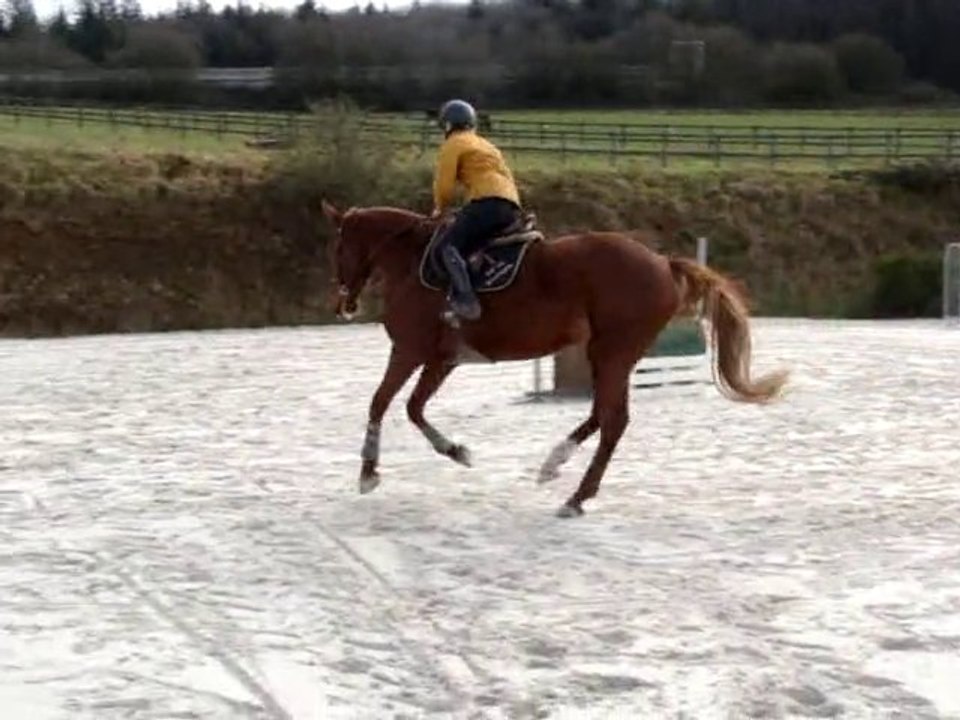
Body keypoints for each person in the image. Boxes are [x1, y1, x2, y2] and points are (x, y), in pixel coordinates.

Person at [431, 99, 523, 321]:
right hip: (509, 204)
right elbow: (507, 176)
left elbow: (444, 184)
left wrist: (440, 209)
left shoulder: (453, 143)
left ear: (447, 125)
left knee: (447, 246)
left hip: (485, 202)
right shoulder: (487, 145)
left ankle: (466, 300)